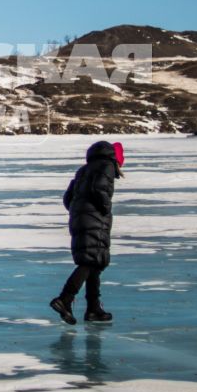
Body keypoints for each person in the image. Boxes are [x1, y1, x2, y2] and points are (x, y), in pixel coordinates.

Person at [50, 139, 122, 325]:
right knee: (90, 261)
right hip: (94, 218)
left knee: (95, 263)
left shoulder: (83, 170)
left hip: (80, 218)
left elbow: (68, 197)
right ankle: (65, 299)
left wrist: (78, 210)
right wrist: (104, 208)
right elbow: (99, 189)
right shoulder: (106, 166)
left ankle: (93, 309)